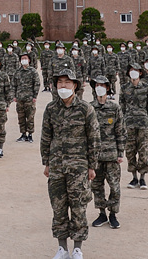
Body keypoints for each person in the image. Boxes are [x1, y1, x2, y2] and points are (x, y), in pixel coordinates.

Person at [41, 69, 100, 259]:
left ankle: (77, 248)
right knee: (58, 207)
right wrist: (46, 163)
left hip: (79, 167)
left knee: (78, 207)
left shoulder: (85, 109)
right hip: (57, 166)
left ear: (75, 85)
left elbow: (94, 138)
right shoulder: (51, 109)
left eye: (67, 83)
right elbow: (45, 137)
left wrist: (92, 166)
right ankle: (62, 248)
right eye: (59, 83)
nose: (63, 86)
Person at [89, 75, 124, 230]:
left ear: (108, 88)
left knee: (114, 187)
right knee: (97, 186)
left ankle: (113, 214)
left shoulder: (114, 108)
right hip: (95, 156)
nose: (100, 87)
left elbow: (120, 131)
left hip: (111, 154)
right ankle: (102, 213)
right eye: (97, 85)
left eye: (102, 85)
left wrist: (121, 152)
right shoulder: (89, 107)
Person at [120, 61, 148, 189]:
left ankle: (142, 178)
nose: (133, 72)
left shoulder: (146, 88)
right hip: (129, 124)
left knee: (143, 151)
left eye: (136, 70)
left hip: (143, 124)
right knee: (130, 151)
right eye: (131, 70)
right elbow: (122, 107)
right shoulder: (124, 88)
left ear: (140, 73)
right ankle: (134, 178)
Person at [14, 51, 41, 143]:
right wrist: (14, 95)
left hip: (30, 98)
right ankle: (23, 134)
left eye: (25, 58)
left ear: (29, 60)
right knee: (21, 117)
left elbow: (37, 84)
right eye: (22, 59)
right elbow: (14, 84)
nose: (24, 60)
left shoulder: (33, 71)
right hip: (20, 98)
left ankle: (30, 134)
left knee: (30, 117)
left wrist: (35, 96)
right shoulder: (17, 72)